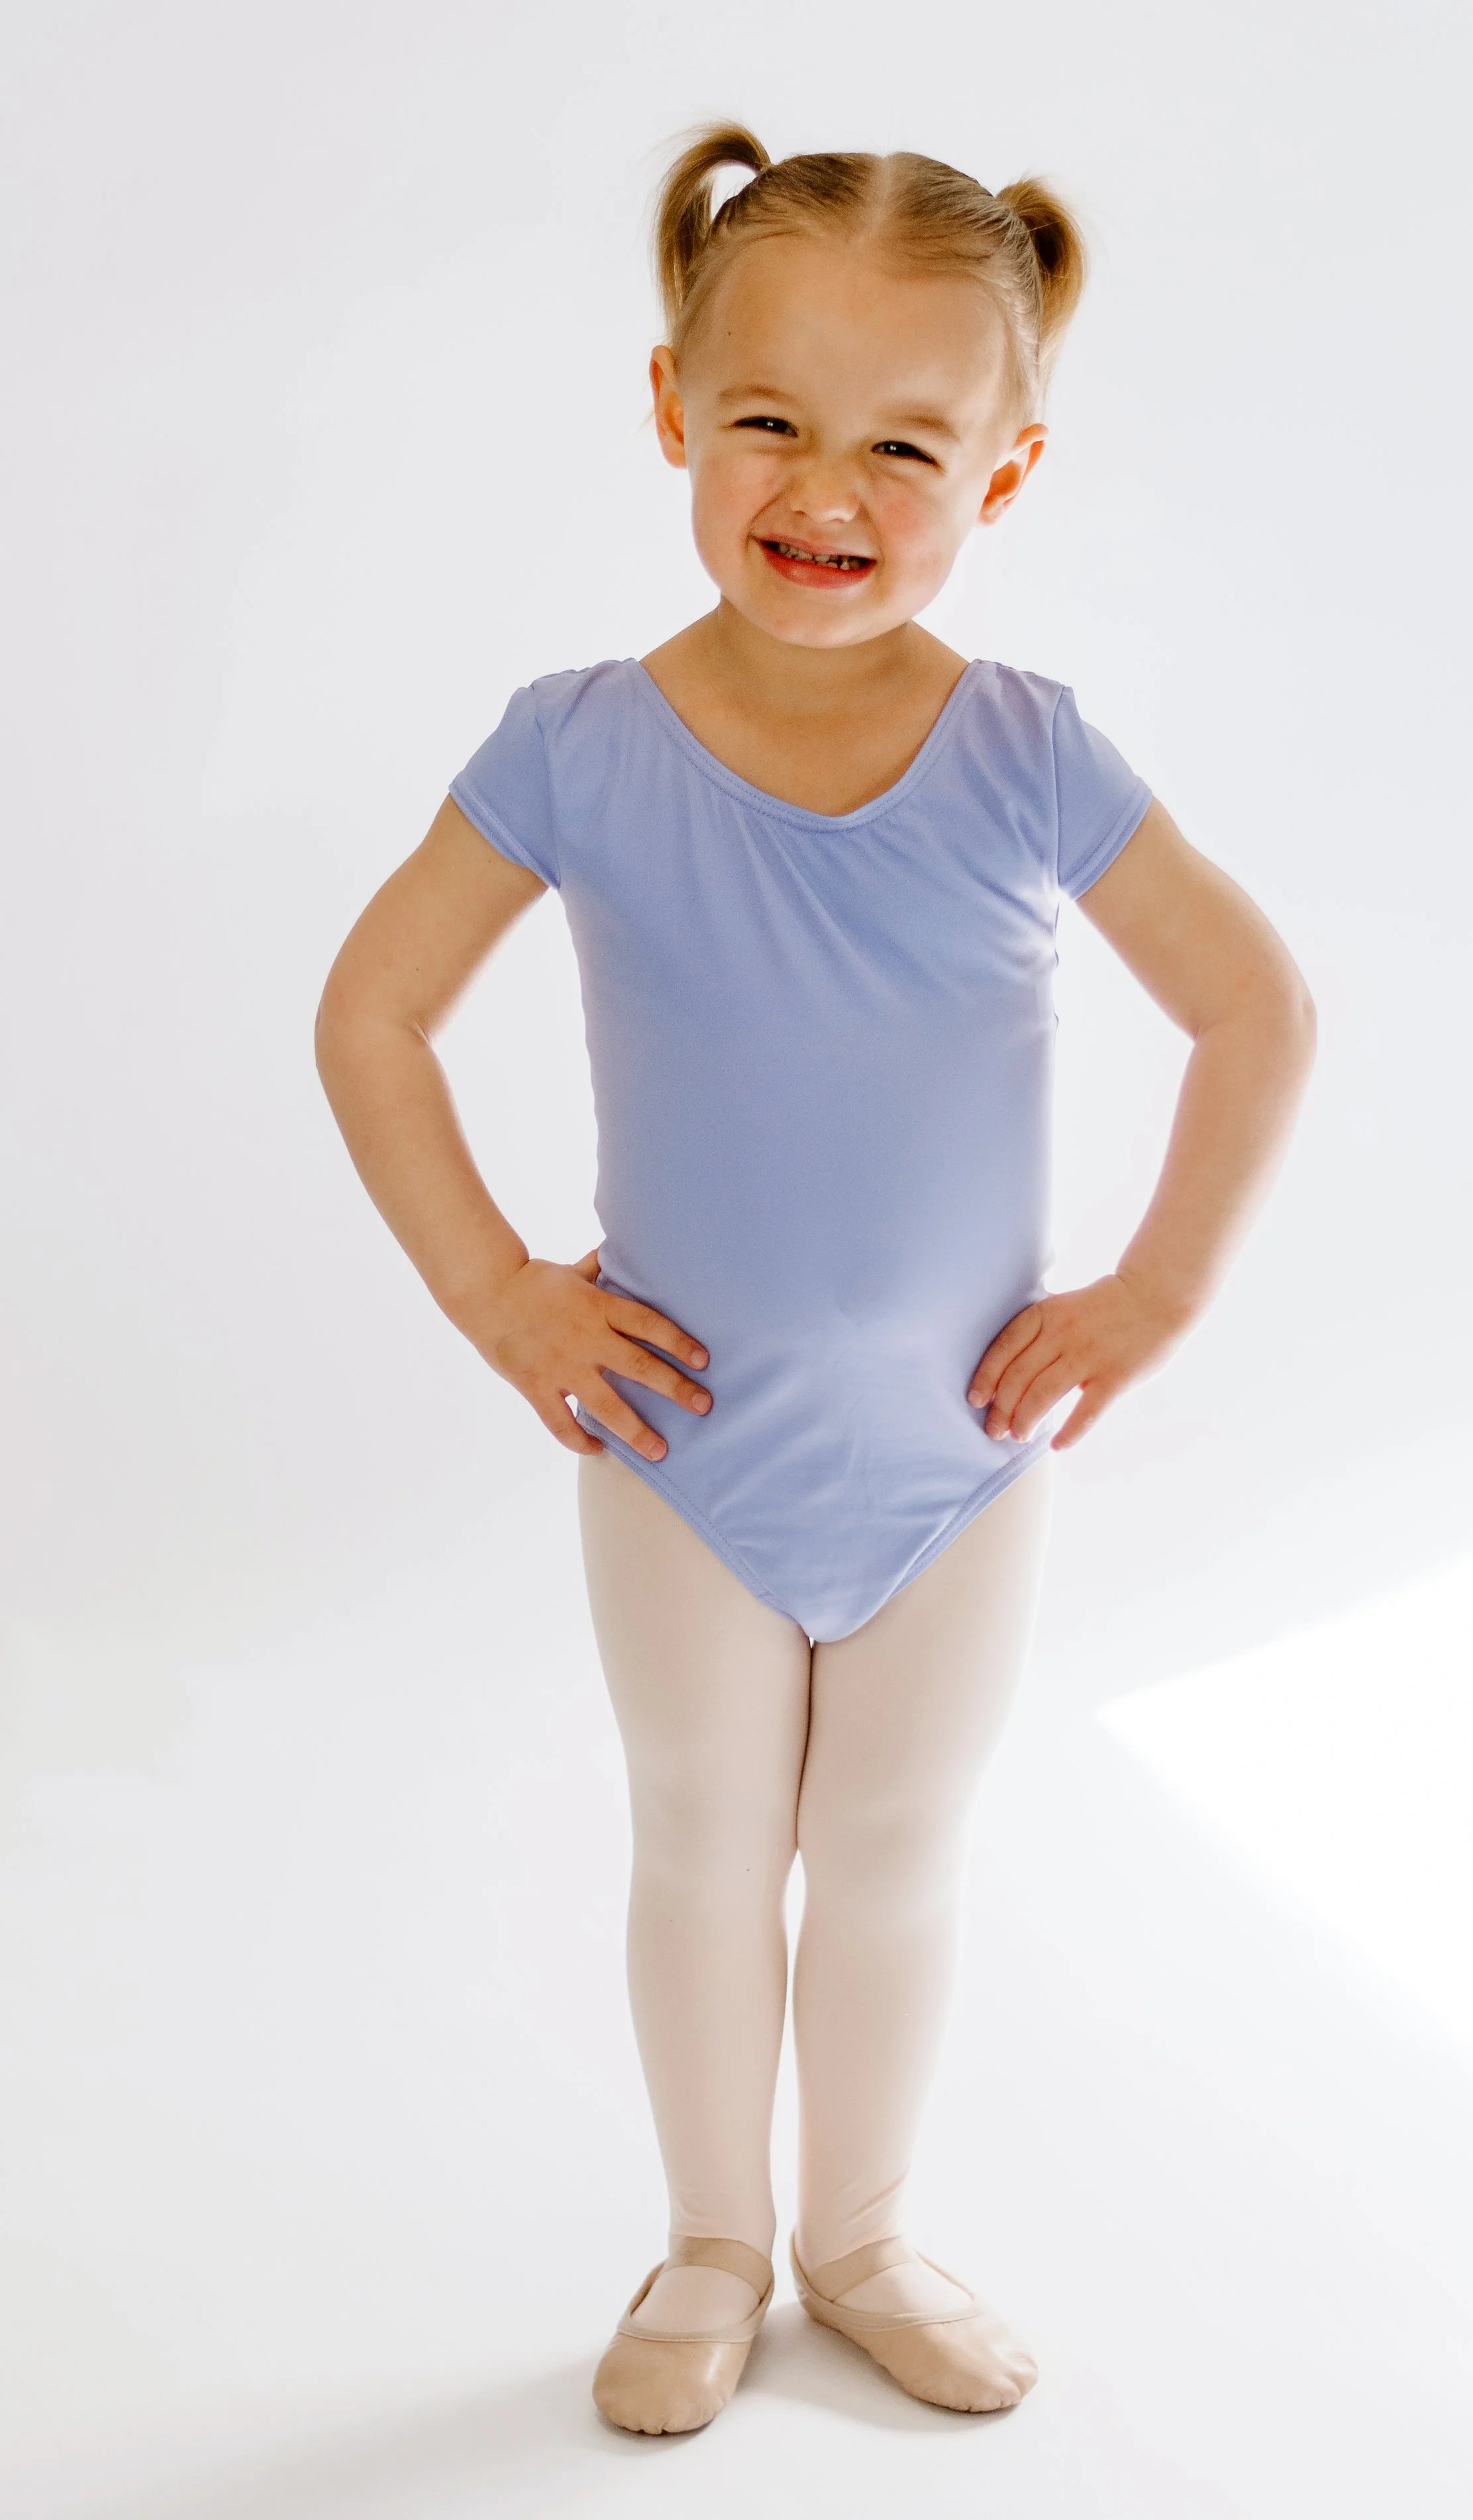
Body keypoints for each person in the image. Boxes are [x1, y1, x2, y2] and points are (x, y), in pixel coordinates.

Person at [314, 124, 1316, 2437]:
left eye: (905, 443)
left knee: (885, 1853)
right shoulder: (574, 748)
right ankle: (707, 2238)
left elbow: (1254, 1007)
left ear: (1010, 468)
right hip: (673, 1436)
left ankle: (857, 2232)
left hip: (962, 1449)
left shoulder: (1027, 755)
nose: (825, 488)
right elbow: (370, 1014)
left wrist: (1149, 1295)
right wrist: (501, 1296)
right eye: (768, 417)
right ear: (671, 401)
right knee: (697, 1838)